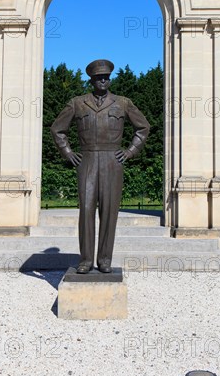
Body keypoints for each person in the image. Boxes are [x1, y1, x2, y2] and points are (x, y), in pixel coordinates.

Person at [50, 59, 150, 274]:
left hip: (113, 160)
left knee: (109, 210)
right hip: (86, 159)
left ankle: (104, 259)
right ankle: (85, 260)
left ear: (109, 79)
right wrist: (68, 152)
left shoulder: (123, 103)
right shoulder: (77, 103)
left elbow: (143, 128)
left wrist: (130, 151)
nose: (103, 80)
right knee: (86, 210)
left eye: (106, 77)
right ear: (91, 80)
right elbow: (58, 129)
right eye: (98, 77)